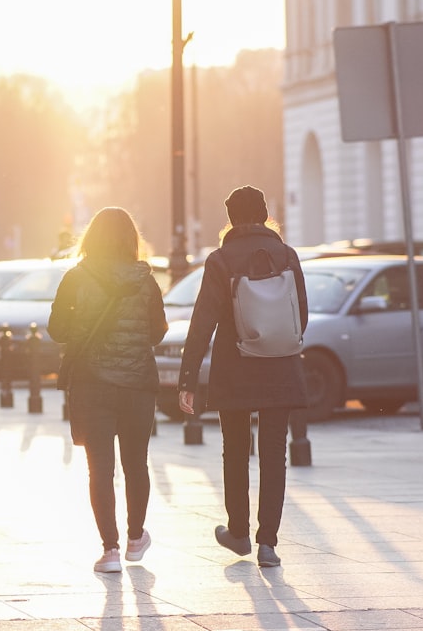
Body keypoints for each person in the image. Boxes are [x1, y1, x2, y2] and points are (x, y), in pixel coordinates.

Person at [177, 186, 309, 568]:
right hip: (280, 365)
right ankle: (268, 542)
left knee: (235, 450)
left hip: (235, 367)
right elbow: (301, 312)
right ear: (266, 215)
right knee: (274, 454)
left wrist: (188, 379)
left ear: (231, 219)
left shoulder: (220, 260)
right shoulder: (287, 255)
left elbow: (202, 322)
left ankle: (238, 533)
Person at [48, 207, 168, 573]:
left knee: (99, 468)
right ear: (131, 239)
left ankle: (110, 550)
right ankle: (135, 539)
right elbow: (157, 331)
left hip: (91, 383)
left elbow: (56, 329)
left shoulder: (76, 278)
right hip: (137, 386)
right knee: (136, 464)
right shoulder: (145, 281)